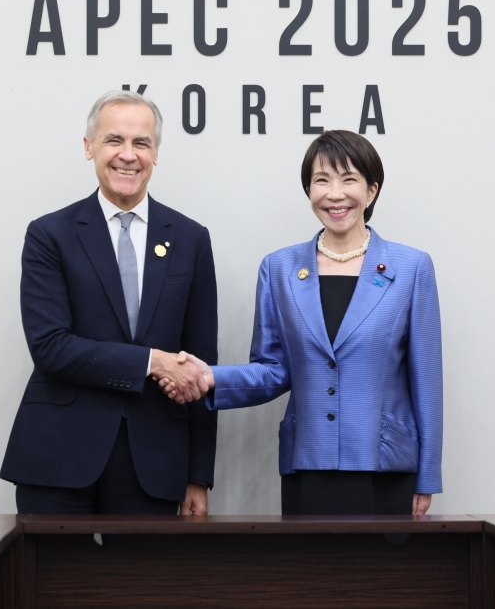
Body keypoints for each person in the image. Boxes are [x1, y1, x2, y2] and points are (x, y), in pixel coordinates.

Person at [162, 130, 442, 516]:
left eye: (349, 180)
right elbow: (273, 371)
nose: (334, 193)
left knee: (381, 578)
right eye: (321, 180)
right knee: (309, 575)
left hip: (385, 465)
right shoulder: (279, 269)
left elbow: (426, 382)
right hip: (307, 461)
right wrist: (210, 378)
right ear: (309, 190)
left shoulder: (411, 269)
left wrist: (427, 476)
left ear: (372, 191)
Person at [0, 90, 217, 516]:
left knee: (140, 586)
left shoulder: (191, 239)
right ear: (89, 148)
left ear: (156, 153)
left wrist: (198, 473)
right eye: (114, 140)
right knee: (53, 585)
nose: (128, 156)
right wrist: (152, 361)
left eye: (142, 143)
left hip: (154, 461)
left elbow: (200, 365)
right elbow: (51, 348)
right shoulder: (50, 235)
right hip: (57, 457)